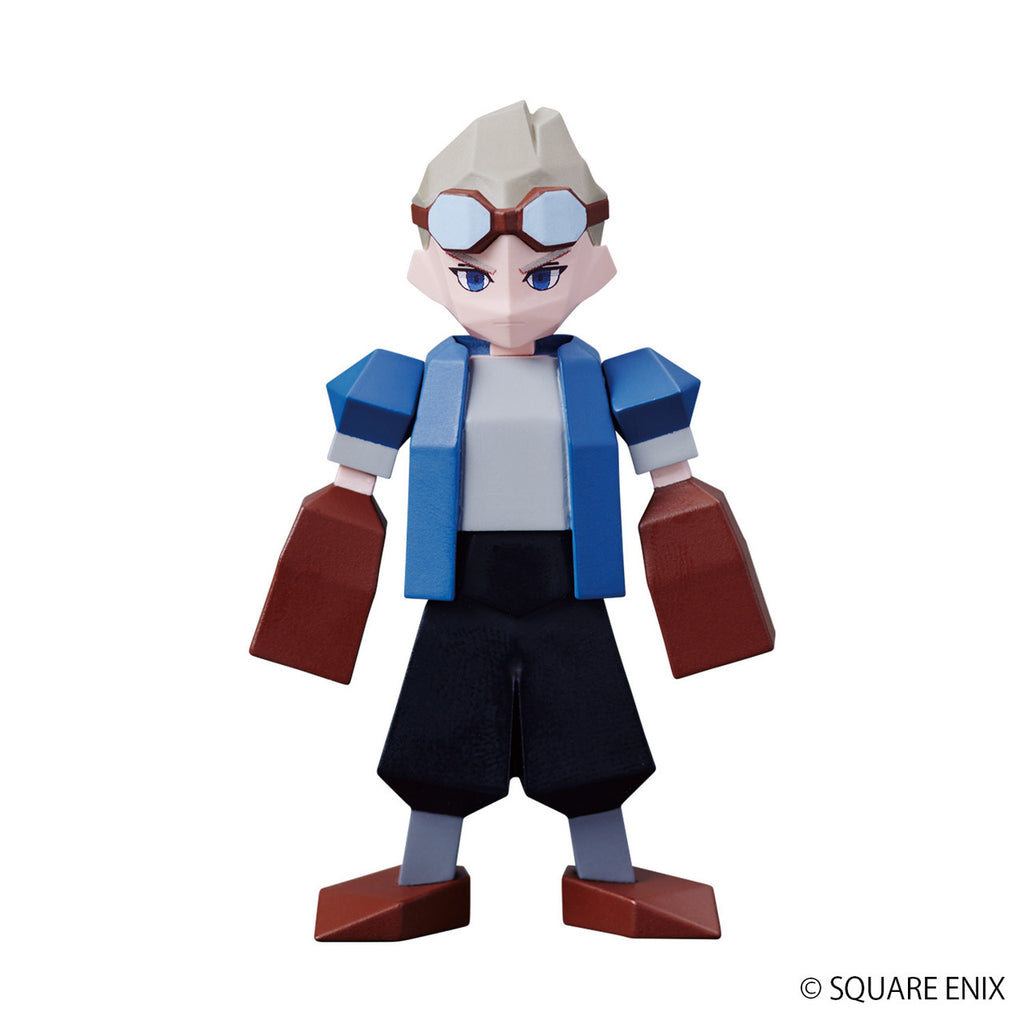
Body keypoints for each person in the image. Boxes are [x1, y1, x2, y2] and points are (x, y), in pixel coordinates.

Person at [253, 101, 772, 940]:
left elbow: (679, 496)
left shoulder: (621, 380)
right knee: (438, 741)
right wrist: (315, 621)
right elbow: (347, 501)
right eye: (472, 276)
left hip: (570, 593)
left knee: (593, 741)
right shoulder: (403, 382)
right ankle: (425, 881)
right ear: (428, 266)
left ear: (592, 264)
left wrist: (708, 614)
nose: (504, 298)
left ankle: (607, 881)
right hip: (461, 594)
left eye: (540, 274)